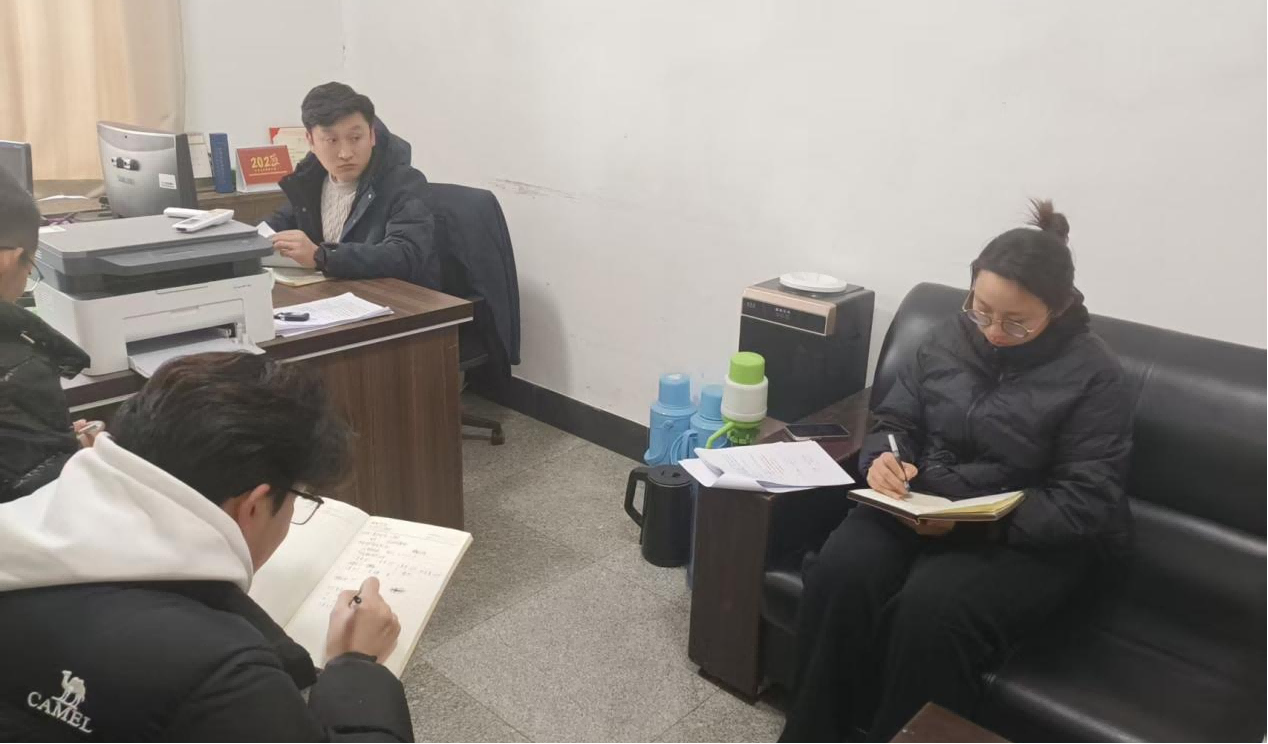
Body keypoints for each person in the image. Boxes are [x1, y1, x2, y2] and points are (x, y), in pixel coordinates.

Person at [780, 201, 1133, 743]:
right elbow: (896, 419)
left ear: (1058, 310)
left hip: (1019, 536)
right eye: (981, 310)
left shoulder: (1095, 376)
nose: (994, 331)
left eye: (1016, 322)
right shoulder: (947, 336)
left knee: (932, 613)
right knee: (840, 570)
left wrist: (982, 523)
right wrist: (885, 459)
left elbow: (1084, 501)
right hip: (920, 502)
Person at [0, 352, 412, 741]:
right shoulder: (228, 675)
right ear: (253, 506)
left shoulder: (18, 532)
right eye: (296, 499)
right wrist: (356, 666)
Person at [266, 81, 440, 289]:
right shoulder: (310, 182)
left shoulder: (404, 183)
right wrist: (248, 241)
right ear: (311, 141)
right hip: (335, 295)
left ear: (372, 136)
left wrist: (321, 256)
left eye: (355, 138)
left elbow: (406, 254)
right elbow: (275, 226)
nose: (346, 153)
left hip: (396, 298)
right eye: (331, 141)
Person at [0, 168, 92, 503]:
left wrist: (54, 442)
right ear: (11, 260)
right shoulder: (19, 368)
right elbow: (41, 503)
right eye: (31, 267)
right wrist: (80, 457)